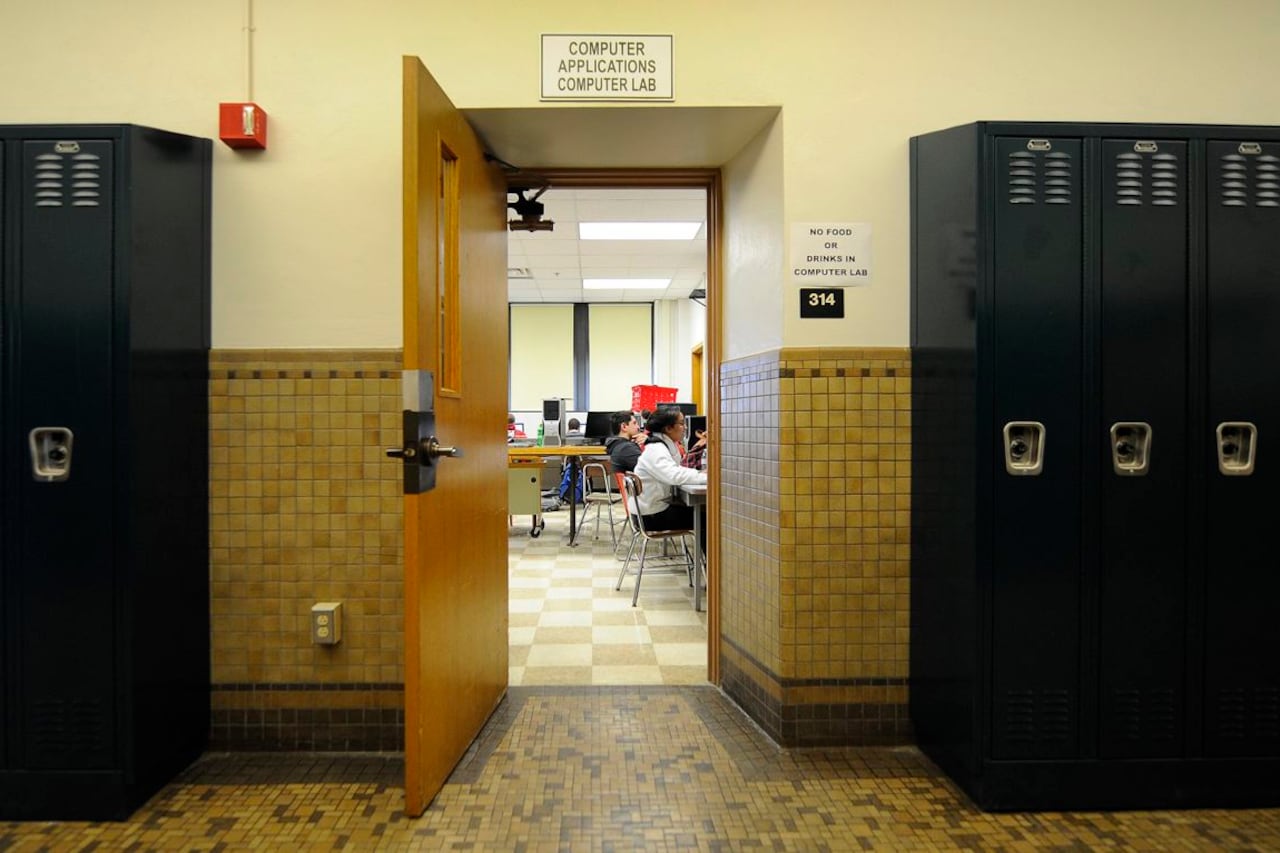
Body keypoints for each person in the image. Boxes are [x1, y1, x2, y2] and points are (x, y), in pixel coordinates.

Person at [632, 406, 707, 538]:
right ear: (668, 428)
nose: (685, 428)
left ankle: (705, 559)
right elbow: (674, 475)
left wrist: (698, 474)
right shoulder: (656, 449)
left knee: (702, 512)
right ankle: (708, 559)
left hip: (650, 511)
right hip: (652, 517)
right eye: (682, 423)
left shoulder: (661, 445)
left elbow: (675, 469)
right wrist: (703, 476)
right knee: (707, 519)